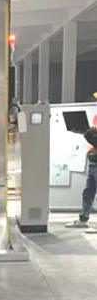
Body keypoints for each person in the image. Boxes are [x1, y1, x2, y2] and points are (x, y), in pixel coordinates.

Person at [66, 93, 97, 233]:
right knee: (88, 193)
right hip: (93, 161)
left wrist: (88, 135)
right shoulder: (96, 117)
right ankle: (83, 219)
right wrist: (84, 132)